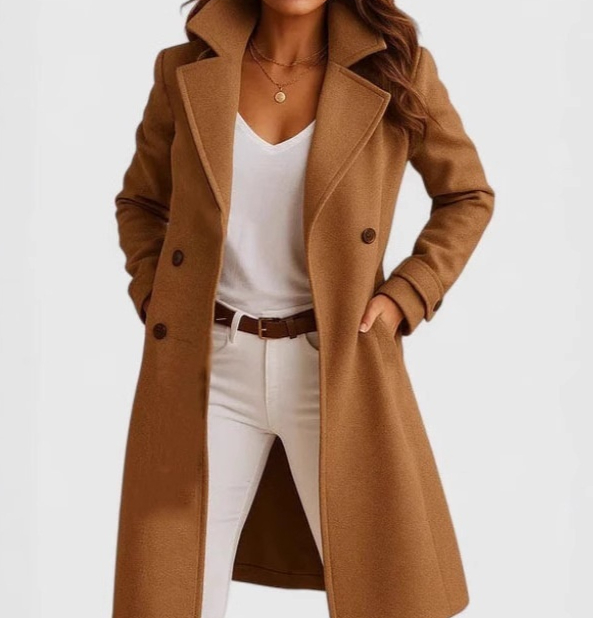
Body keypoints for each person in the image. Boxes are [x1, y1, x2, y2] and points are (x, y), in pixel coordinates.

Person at [112, 0, 495, 617]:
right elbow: (140, 202)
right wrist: (157, 294)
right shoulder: (183, 70)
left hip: (334, 366)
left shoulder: (396, 70)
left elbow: (468, 195)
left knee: (383, 590)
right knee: (168, 591)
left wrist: (406, 295)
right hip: (206, 370)